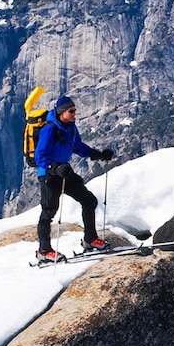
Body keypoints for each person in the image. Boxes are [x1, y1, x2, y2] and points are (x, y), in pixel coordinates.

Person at [34, 95, 115, 262]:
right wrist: (54, 168)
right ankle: (43, 251)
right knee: (48, 212)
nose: (74, 114)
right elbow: (39, 155)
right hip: (49, 175)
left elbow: (78, 146)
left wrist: (98, 154)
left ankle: (90, 240)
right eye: (71, 111)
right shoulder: (49, 129)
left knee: (89, 200)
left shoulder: (70, 127)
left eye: (74, 111)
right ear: (61, 112)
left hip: (64, 171)